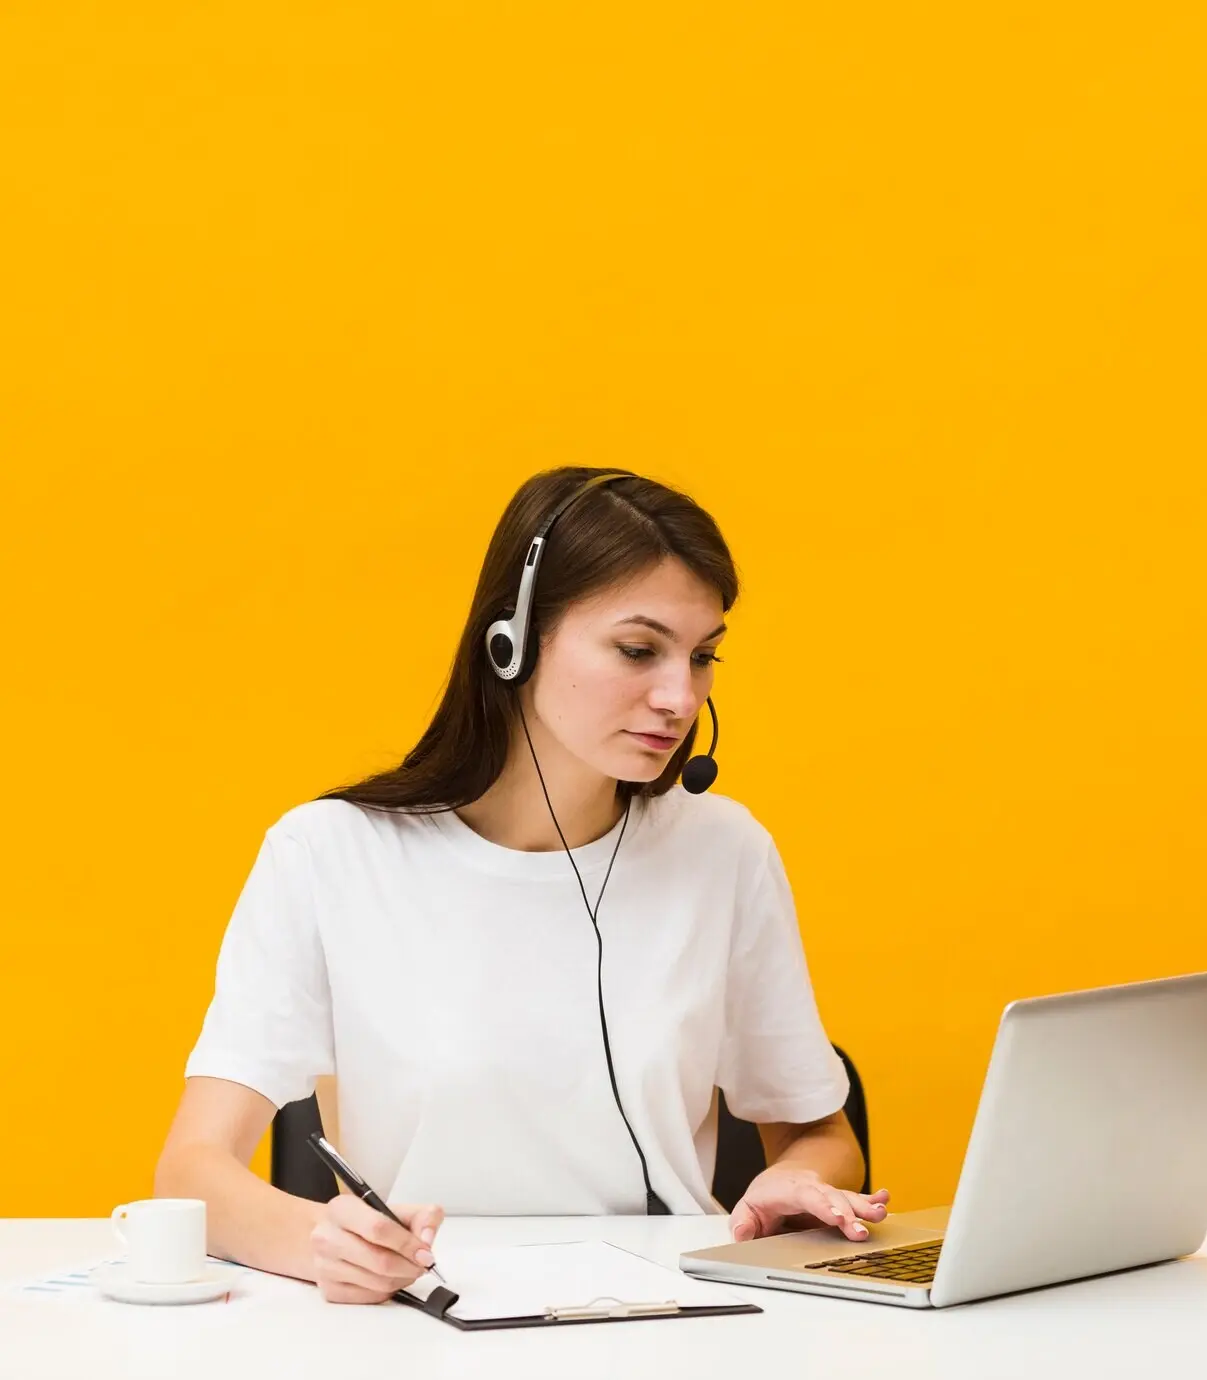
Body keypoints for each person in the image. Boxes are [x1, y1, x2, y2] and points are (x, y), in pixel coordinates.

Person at [155, 467, 888, 1304]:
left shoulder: (722, 851)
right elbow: (191, 1171)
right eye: (639, 650)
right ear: (513, 639)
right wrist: (321, 1243)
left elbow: (820, 1133)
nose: (680, 697)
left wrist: (797, 1180)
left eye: (702, 656)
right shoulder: (331, 853)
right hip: (423, 1314)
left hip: (670, 1318)